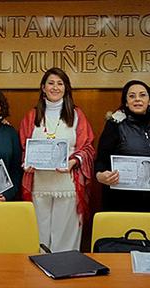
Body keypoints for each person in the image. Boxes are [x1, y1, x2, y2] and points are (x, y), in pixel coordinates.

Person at [19, 67, 95, 252]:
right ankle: (39, 276)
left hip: (67, 184)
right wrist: (26, 163)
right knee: (39, 234)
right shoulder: (32, 115)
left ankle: (65, 272)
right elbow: (24, 147)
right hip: (39, 184)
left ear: (66, 88)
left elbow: (88, 147)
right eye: (51, 83)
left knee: (65, 235)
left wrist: (73, 162)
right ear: (43, 87)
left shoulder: (77, 115)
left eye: (60, 83)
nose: (55, 87)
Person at [95, 80, 150, 212]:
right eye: (132, 96)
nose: (137, 99)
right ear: (126, 102)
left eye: (142, 95)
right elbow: (101, 159)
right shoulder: (115, 124)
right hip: (119, 198)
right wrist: (100, 175)